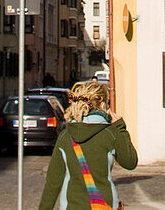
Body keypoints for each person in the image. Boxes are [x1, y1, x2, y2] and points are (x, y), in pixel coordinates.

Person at [38, 80, 138, 210]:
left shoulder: (65, 136)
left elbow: (53, 182)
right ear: (102, 104)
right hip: (105, 205)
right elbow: (130, 162)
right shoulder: (109, 134)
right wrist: (120, 128)